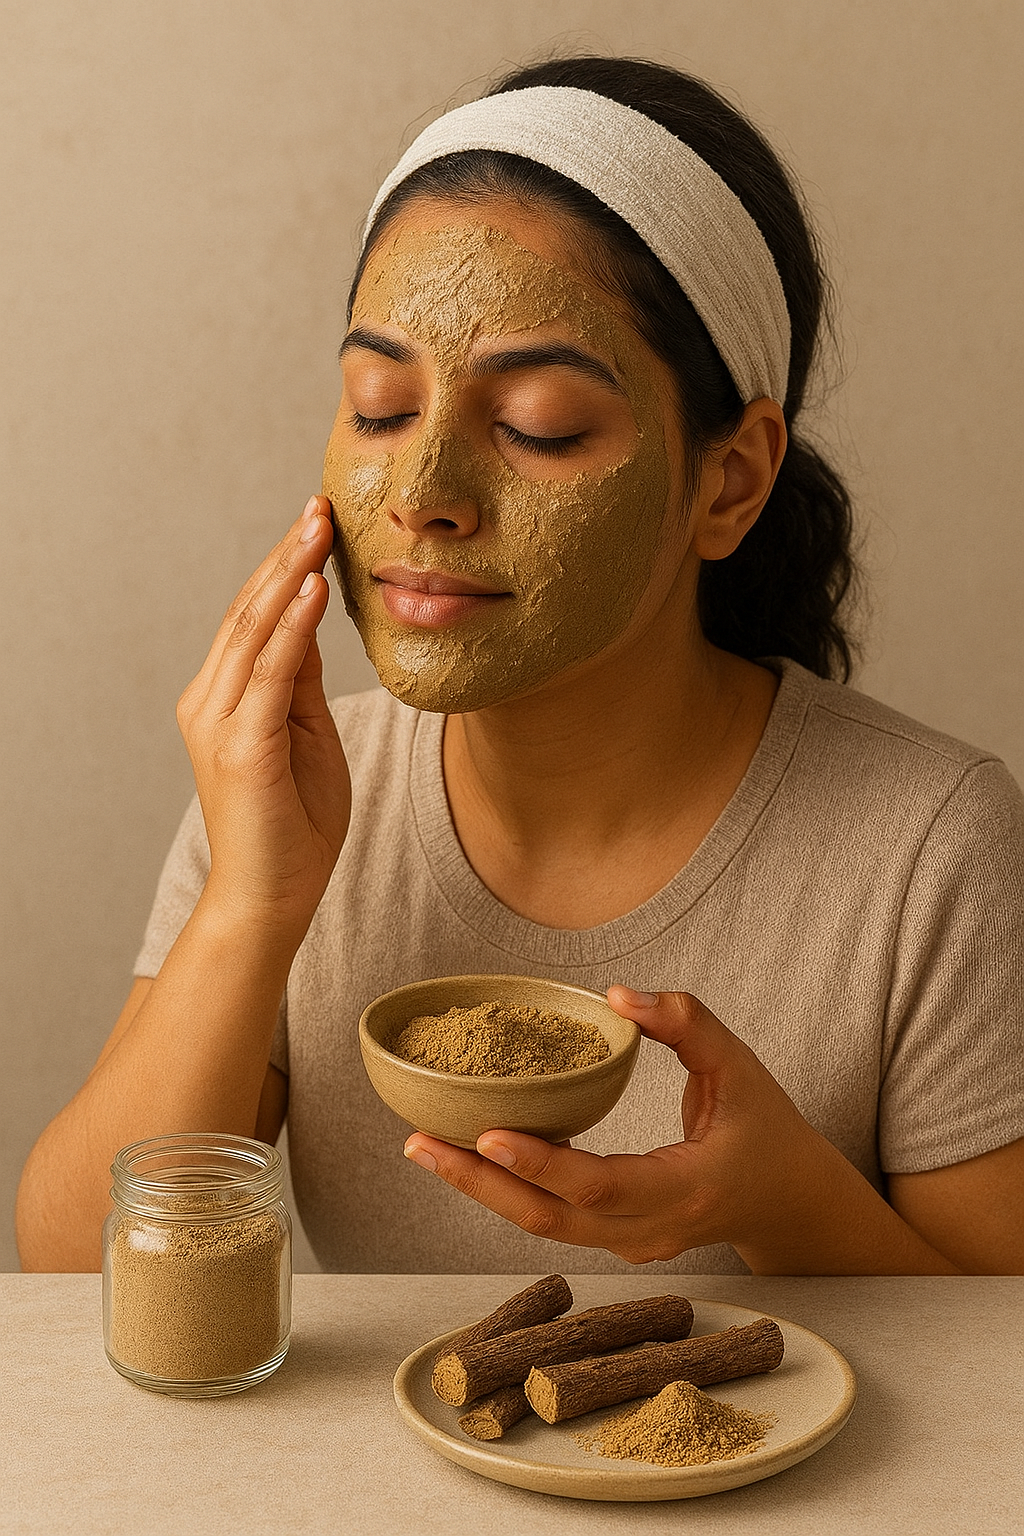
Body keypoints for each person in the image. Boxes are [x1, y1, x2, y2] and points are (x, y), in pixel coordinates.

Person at [17, 57, 1024, 1276]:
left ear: (731, 479)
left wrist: (787, 1204)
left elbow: (1001, 1402)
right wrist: (252, 904)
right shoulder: (289, 800)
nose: (424, 495)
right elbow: (79, 1282)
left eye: (538, 425)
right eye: (381, 407)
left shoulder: (932, 852)